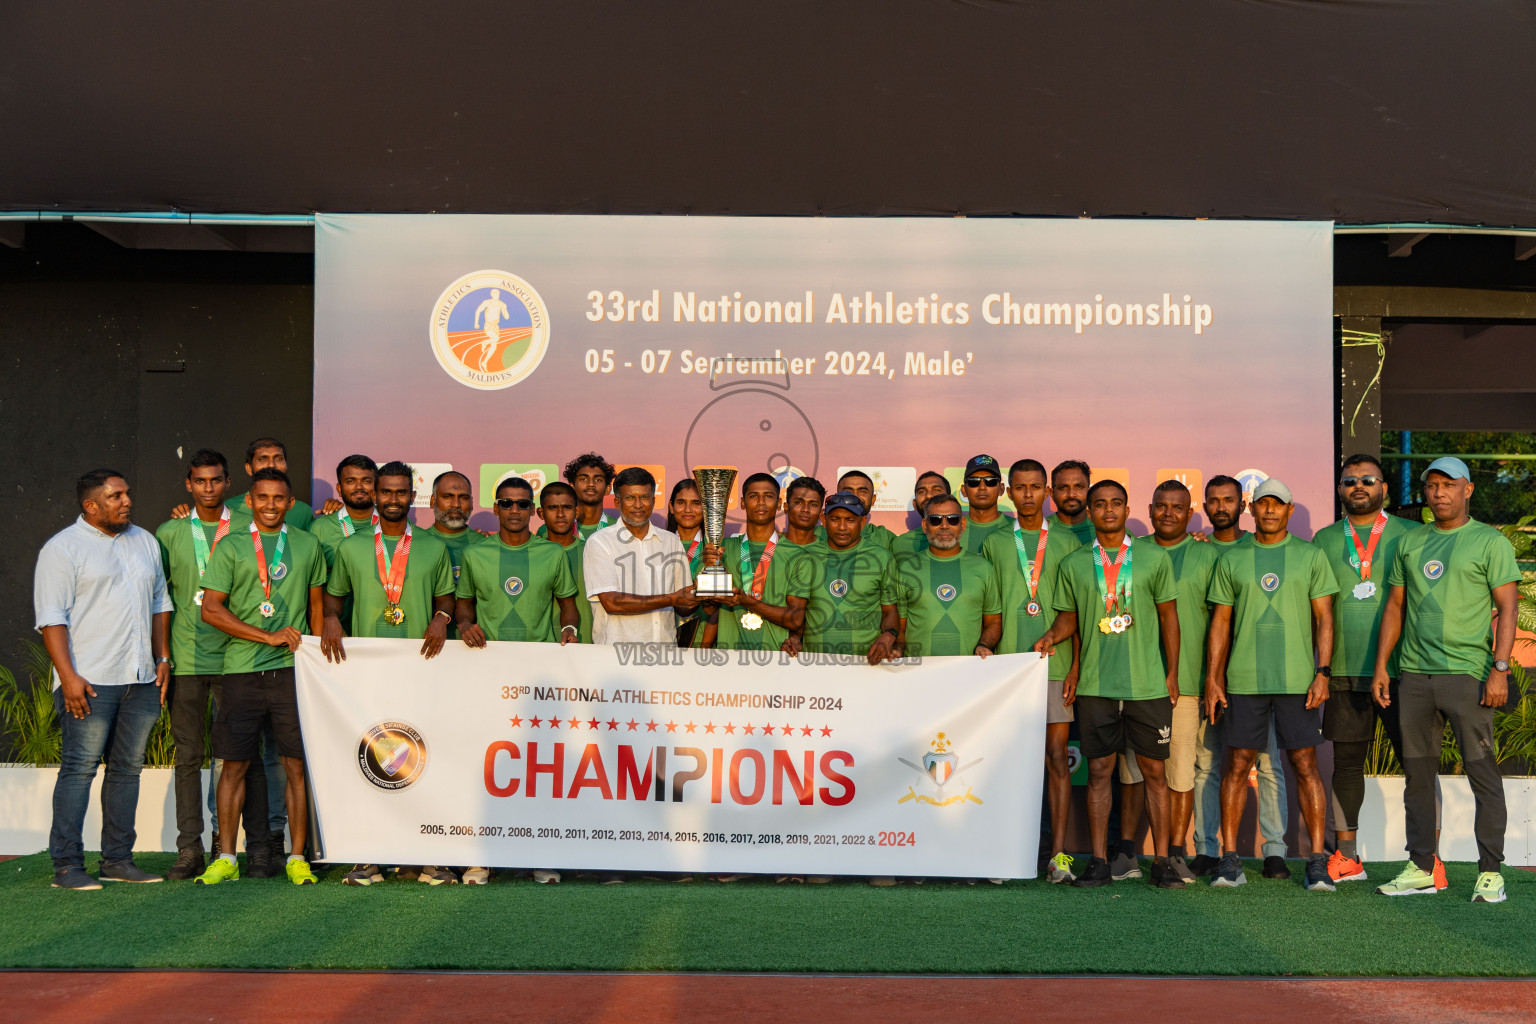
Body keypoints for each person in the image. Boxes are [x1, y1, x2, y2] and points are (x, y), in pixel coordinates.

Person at [1373, 457, 1521, 903]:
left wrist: (1499, 668)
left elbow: (1509, 609)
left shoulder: (1489, 542)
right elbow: (1395, 608)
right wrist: (1383, 665)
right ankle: (1421, 867)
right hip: (1415, 677)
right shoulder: (1412, 542)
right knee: (1418, 776)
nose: (1438, 493)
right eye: (1432, 485)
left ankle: (1490, 872)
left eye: (1448, 485)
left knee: (1482, 774)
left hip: (1469, 677)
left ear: (1468, 490)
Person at [1033, 479, 1182, 889]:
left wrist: (1171, 674)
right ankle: (1098, 861)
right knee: (1099, 771)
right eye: (1100, 504)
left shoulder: (1152, 557)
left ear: (1128, 507)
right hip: (1097, 686)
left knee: (1155, 771)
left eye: (1116, 503)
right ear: (1091, 511)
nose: (1108, 510)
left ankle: (1163, 862)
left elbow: (1170, 617)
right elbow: (1069, 619)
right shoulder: (1076, 563)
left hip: (1148, 685)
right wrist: (1051, 637)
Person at [35, 469, 173, 890]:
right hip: (90, 681)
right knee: (78, 770)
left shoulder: (145, 540)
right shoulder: (62, 549)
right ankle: (67, 868)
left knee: (127, 771)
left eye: (127, 493)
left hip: (141, 679)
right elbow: (51, 619)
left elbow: (160, 601)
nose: (127, 501)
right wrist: (68, 677)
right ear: (90, 506)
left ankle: (117, 860)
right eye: (116, 496)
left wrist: (162, 657)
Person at [322, 462, 457, 887]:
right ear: (376, 495)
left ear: (411, 496)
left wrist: (440, 617)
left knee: (424, 759)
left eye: (402, 492)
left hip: (421, 668)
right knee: (370, 761)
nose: (394, 499)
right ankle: (369, 858)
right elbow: (333, 601)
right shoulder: (350, 547)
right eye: (387, 492)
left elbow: (448, 600)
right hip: (366, 673)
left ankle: (430, 857)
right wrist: (330, 620)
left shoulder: (434, 547)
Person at [1204, 478, 1338, 892]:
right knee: (1236, 764)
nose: (1269, 511)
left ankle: (1316, 861)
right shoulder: (1232, 558)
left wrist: (1323, 671)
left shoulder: (1310, 555)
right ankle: (1230, 860)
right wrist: (1213, 678)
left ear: (1289, 510)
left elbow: (1325, 618)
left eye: (1277, 505)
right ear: (1252, 508)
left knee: (1304, 765)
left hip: (1298, 681)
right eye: (1262, 504)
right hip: (1244, 681)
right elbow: (1221, 623)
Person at [194, 468, 326, 886]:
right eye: (263, 497)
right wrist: (266, 636)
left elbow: (317, 609)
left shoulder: (308, 544)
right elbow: (210, 609)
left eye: (279, 498)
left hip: (293, 673)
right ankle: (227, 858)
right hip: (241, 672)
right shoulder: (231, 545)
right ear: (249, 501)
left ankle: (298, 857)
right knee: (232, 765)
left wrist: (315, 658)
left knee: (296, 767)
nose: (271, 505)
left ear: (291, 504)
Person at [155, 450, 273, 882]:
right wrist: (163, 656)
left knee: (247, 758)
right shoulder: (169, 532)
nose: (208, 488)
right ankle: (190, 850)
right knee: (189, 758)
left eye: (216, 480)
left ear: (228, 484)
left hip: (238, 661)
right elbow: (160, 601)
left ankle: (256, 849)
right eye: (200, 481)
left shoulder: (249, 528)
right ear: (188, 484)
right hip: (186, 661)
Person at [1313, 455, 1425, 885]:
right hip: (1342, 668)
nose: (1358, 486)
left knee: (1417, 763)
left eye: (1367, 480)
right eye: (1349, 481)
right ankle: (1346, 856)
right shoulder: (1323, 540)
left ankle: (1425, 859)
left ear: (1384, 489)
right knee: (1345, 765)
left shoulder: (1412, 534)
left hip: (1403, 670)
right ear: (1340, 490)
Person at [979, 459, 1082, 883]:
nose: (1027, 495)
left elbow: (1075, 609)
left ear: (1047, 493)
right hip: (1006, 668)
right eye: (1019, 487)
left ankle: (1058, 856)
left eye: (1035, 487)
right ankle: (1005, 853)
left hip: (1052, 666)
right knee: (1005, 760)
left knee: (1057, 758)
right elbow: (989, 609)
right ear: (1009, 492)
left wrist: (1075, 663)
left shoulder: (1070, 542)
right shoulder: (994, 542)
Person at [1192, 473, 1290, 878]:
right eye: (1213, 500)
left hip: (1253, 676)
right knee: (1207, 764)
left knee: (1268, 764)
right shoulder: (1194, 549)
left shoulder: (1257, 548)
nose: (1220, 507)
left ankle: (1275, 851)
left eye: (1228, 500)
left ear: (1242, 505)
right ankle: (1206, 849)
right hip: (1203, 674)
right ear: (1205, 506)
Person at [1146, 479, 1220, 884]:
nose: (1168, 513)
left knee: (1180, 773)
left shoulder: (1205, 555)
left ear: (1191, 513)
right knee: (1136, 773)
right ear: (1151, 508)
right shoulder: (1132, 553)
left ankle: (1176, 853)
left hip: (1187, 684)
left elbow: (1220, 623)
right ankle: (1131, 852)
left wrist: (1212, 677)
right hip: (1138, 683)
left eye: (1178, 507)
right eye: (1161, 506)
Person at [584, 466, 697, 645]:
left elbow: (683, 607)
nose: (638, 505)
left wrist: (704, 592)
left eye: (644, 497)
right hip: (616, 655)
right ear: (617, 503)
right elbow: (612, 603)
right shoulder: (600, 542)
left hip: (664, 654)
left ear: (653, 500)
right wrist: (672, 598)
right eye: (629, 498)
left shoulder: (671, 541)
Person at [785, 490, 901, 664]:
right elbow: (797, 612)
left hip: (866, 663)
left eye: (850, 520)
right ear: (823, 520)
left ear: (862, 522)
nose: (841, 527)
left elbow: (890, 611)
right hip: (815, 663)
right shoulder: (807, 557)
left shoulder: (881, 557)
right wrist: (794, 638)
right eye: (834, 519)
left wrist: (888, 635)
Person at [715, 475, 816, 652]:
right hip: (727, 658)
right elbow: (706, 606)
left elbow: (796, 618)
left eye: (768, 496)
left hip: (775, 658)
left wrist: (748, 602)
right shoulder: (722, 548)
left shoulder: (798, 556)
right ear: (743, 503)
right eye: (753, 496)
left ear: (778, 504)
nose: (761, 502)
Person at [172, 437, 339, 530]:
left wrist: (338, 516)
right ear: (248, 468)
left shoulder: (303, 511)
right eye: (263, 459)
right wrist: (183, 516)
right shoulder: (229, 508)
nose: (271, 465)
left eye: (278, 459)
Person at [424, 470, 489, 639]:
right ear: (432, 501)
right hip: (424, 641)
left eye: (463, 498)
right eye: (447, 496)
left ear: (472, 503)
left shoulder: (486, 546)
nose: (456, 504)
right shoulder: (416, 543)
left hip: (475, 644)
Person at [664, 478, 721, 648]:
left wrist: (704, 650)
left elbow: (717, 609)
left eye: (696, 503)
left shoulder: (714, 550)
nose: (688, 509)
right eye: (681, 502)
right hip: (661, 641)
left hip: (701, 642)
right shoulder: (657, 545)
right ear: (671, 507)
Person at [310, 455, 380, 568]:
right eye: (350, 481)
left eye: (366, 481)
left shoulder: (392, 523)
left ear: (377, 486)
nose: (359, 487)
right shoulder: (319, 529)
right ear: (339, 489)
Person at [957, 455, 1013, 555]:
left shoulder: (1017, 528)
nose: (982, 487)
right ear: (964, 490)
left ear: (1001, 488)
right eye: (974, 482)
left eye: (990, 481)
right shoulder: (952, 530)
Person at [832, 470, 897, 551]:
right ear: (836, 497)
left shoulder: (886, 538)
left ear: (873, 499)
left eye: (862, 491)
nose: (855, 496)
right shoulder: (820, 534)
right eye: (848, 491)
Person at [892, 471, 953, 556]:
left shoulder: (967, 536)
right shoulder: (900, 544)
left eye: (936, 490)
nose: (928, 496)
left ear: (951, 499)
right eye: (922, 492)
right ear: (914, 504)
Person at [560, 452, 616, 539]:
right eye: (583, 479)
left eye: (598, 480)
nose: (591, 484)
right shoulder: (551, 529)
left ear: (607, 489)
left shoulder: (619, 528)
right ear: (572, 487)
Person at [1049, 460, 1097, 547]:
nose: (1071, 494)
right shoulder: (1040, 530)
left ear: (1089, 492)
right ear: (1052, 493)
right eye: (1063, 487)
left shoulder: (1105, 530)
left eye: (1079, 487)